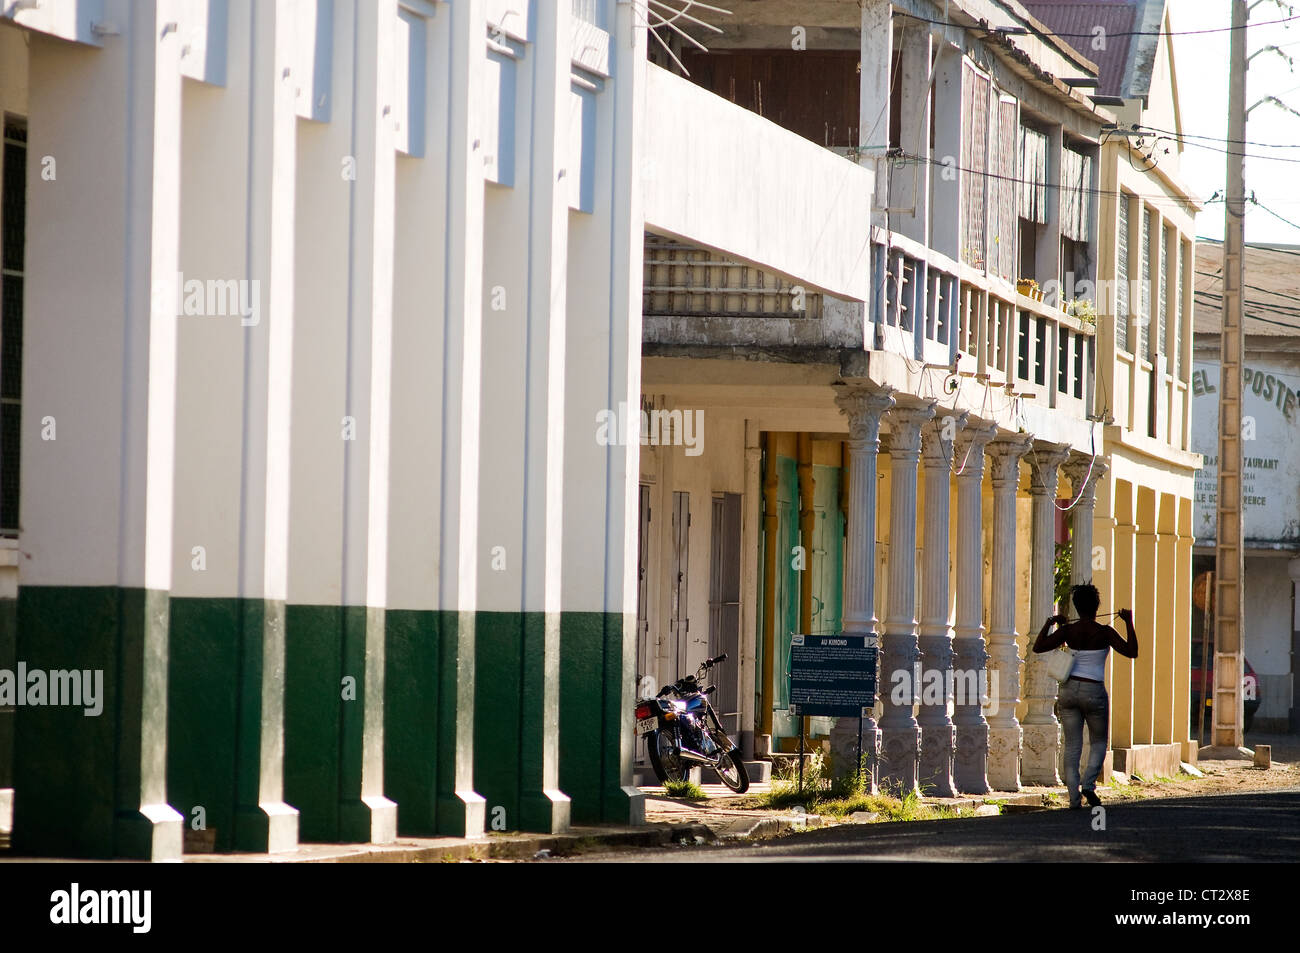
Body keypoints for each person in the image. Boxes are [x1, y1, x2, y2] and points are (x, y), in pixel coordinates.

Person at [1032, 583, 1139, 810]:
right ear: (1096, 606)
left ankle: (1073, 798)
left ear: (1076, 607)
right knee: (1099, 742)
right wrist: (1128, 622)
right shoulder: (1105, 632)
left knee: (1072, 746)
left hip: (1069, 691)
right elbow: (1132, 651)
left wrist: (1050, 623)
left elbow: (1039, 647)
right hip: (1094, 692)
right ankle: (1089, 784)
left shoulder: (1067, 631)